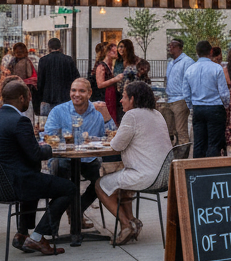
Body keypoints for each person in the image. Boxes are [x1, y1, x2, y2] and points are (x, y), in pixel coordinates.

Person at [0, 80, 73, 255]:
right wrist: (52, 148)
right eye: (29, 98)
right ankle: (37, 237)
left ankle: (22, 233)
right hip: (16, 184)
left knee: (34, 176)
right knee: (69, 188)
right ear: (22, 98)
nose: (30, 101)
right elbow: (35, 154)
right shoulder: (19, 121)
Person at [95, 81, 173, 245]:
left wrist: (114, 137)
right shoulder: (156, 113)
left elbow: (116, 145)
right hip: (166, 175)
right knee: (121, 181)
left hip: (146, 176)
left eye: (124, 97)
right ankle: (132, 221)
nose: (121, 101)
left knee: (100, 185)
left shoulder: (132, 116)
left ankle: (126, 225)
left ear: (133, 99)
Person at [45, 78, 116, 228]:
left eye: (81, 91)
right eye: (73, 90)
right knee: (61, 174)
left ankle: (76, 211)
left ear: (89, 93)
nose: (76, 94)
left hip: (88, 159)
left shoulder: (97, 112)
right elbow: (49, 137)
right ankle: (65, 218)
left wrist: (107, 115)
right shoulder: (58, 111)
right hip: (63, 158)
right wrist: (63, 139)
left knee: (102, 183)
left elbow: (113, 136)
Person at [183, 40, 230, 157]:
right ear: (211, 51)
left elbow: (186, 93)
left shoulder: (190, 69)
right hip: (215, 108)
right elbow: (223, 92)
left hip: (198, 108)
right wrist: (226, 106)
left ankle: (198, 172)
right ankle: (211, 171)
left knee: (198, 143)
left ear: (197, 52)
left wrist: (191, 106)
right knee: (214, 143)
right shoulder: (217, 68)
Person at [35, 37, 80, 116]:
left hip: (48, 97)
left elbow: (40, 81)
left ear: (49, 47)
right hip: (66, 97)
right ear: (60, 46)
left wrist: (40, 97)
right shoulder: (68, 60)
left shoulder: (43, 60)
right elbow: (76, 78)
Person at [159, 39, 192, 146]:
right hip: (169, 99)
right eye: (169, 46)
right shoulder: (170, 63)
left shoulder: (187, 62)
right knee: (168, 131)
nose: (170, 48)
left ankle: (183, 158)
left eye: (173, 46)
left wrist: (187, 99)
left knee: (181, 130)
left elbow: (190, 81)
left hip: (181, 100)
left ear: (179, 48)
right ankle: (172, 154)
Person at [93, 42, 123, 122]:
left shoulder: (111, 66)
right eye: (114, 52)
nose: (117, 54)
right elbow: (100, 84)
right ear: (108, 52)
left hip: (111, 95)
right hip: (105, 95)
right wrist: (115, 79)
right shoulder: (101, 66)